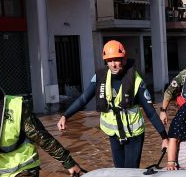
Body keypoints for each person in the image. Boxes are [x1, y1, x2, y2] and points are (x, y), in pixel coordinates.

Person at [57, 40, 168, 168]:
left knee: (130, 173)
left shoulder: (135, 79)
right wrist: (65, 116)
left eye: (117, 60)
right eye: (110, 61)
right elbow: (83, 99)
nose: (114, 64)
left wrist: (164, 137)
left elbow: (151, 112)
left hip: (134, 134)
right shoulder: (100, 77)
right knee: (119, 172)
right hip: (114, 134)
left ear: (124, 59)